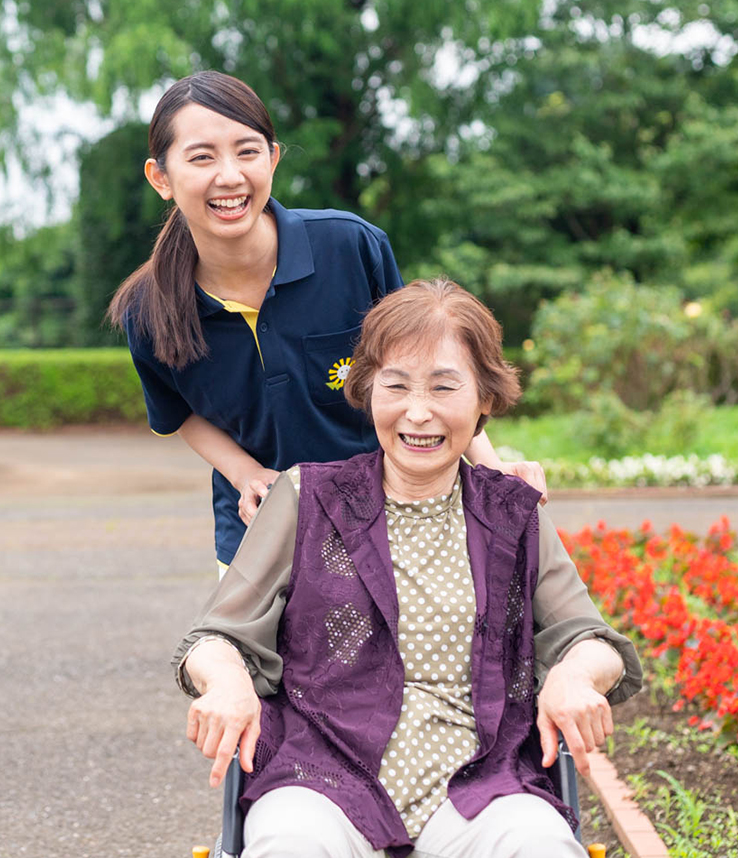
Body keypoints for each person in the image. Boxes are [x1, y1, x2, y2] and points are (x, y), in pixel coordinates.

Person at [172, 279, 643, 858]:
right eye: (395, 385)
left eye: (445, 387)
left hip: (480, 782)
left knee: (538, 844)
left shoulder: (511, 512)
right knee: (289, 844)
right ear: (368, 391)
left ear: (485, 399)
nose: (418, 413)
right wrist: (225, 681)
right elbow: (216, 637)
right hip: (323, 778)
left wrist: (575, 675)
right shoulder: (305, 498)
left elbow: (591, 640)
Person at [109, 71, 546, 570]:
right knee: (239, 651)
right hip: (261, 537)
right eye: (202, 156)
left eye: (247, 151)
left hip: (391, 519)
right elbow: (179, 413)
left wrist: (494, 470)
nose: (229, 176)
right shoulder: (147, 309)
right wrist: (248, 473)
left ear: (273, 159)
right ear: (160, 177)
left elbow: (426, 374)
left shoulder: (352, 246)